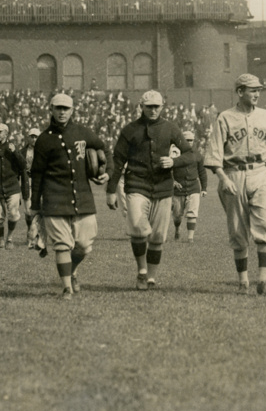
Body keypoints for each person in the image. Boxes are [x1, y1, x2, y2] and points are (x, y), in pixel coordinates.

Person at [204, 74, 266, 295]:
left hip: (261, 172)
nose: (257, 94)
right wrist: (223, 179)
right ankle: (243, 282)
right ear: (240, 92)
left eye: (258, 90)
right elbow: (214, 154)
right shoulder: (225, 118)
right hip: (233, 173)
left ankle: (263, 280)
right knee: (238, 230)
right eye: (252, 90)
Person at [106, 90, 195, 290]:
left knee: (157, 236)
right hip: (137, 184)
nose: (153, 110)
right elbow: (118, 160)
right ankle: (141, 271)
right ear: (141, 107)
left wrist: (173, 161)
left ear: (162, 107)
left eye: (156, 106)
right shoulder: (130, 130)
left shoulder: (170, 128)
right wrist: (111, 191)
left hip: (163, 187)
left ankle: (151, 277)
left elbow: (191, 155)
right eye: (149, 107)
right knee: (138, 227)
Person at [29, 94, 109, 299]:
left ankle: (72, 271)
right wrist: (35, 204)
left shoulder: (82, 132)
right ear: (51, 109)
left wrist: (105, 171)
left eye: (66, 108)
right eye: (58, 108)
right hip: (54, 198)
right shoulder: (44, 140)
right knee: (62, 245)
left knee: (83, 245)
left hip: (83, 197)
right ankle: (66, 288)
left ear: (72, 110)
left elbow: (104, 149)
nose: (62, 112)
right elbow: (37, 174)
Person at [171, 130, 208, 243]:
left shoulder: (197, 155)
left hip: (193, 187)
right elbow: (167, 170)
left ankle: (190, 238)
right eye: (187, 140)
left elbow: (202, 172)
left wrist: (204, 188)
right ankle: (177, 228)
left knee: (192, 212)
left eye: (191, 140)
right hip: (178, 189)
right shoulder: (175, 153)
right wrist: (173, 182)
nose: (189, 142)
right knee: (177, 215)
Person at [21, 127, 41, 245]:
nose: (34, 139)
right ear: (28, 138)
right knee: (28, 212)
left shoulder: (44, 151)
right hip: (26, 181)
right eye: (32, 137)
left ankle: (35, 235)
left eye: (36, 137)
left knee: (38, 210)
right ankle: (30, 229)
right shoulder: (22, 152)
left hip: (39, 182)